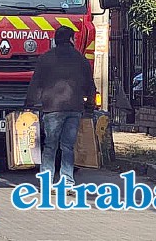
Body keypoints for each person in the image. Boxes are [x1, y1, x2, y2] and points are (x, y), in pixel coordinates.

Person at [25, 26, 96, 193]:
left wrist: (29, 104)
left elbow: (36, 83)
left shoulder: (45, 58)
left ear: (56, 40)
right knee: (68, 146)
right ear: (71, 39)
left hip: (52, 108)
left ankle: (46, 182)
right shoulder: (81, 59)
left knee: (50, 145)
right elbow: (89, 85)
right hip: (74, 108)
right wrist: (90, 107)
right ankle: (68, 182)